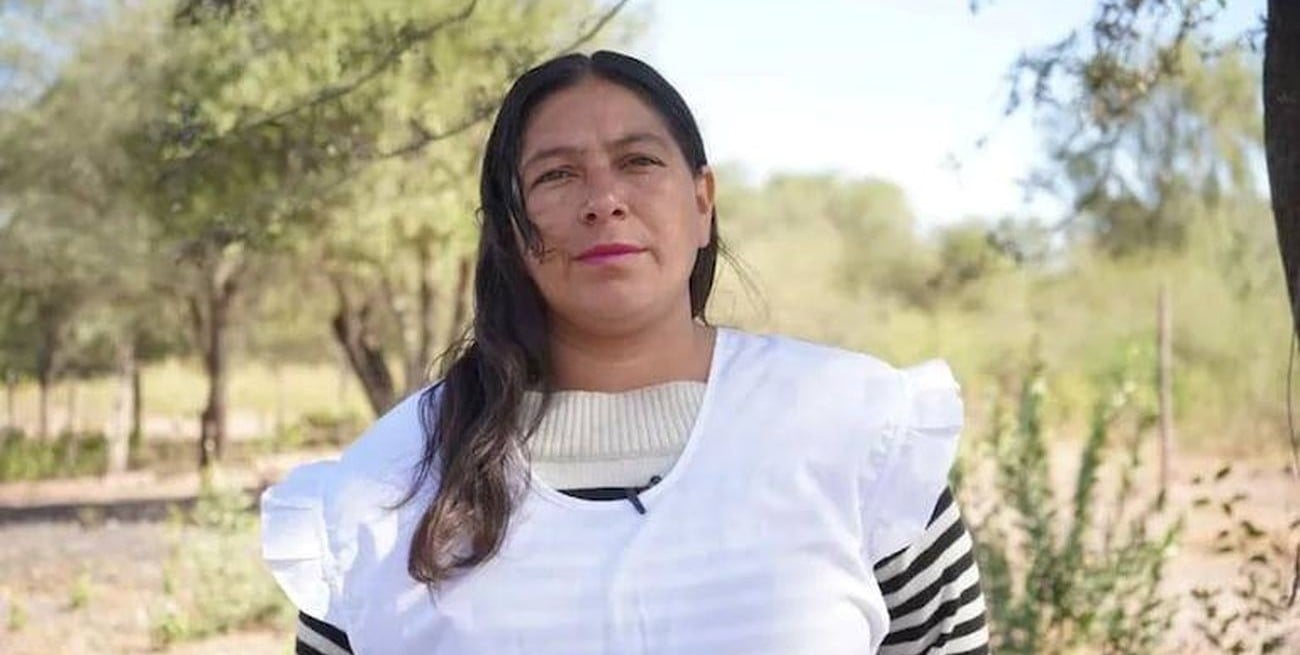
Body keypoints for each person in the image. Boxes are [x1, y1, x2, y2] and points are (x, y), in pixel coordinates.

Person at [262, 50, 989, 655]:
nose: (604, 199)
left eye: (639, 161)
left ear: (702, 202)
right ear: (509, 230)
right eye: (557, 174)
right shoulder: (383, 488)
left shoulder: (858, 435)